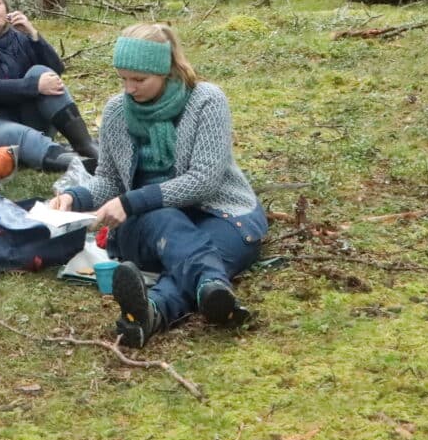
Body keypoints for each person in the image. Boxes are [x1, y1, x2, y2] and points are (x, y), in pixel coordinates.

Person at [49, 24, 268, 348]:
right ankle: (212, 285)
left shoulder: (207, 101)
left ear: (165, 70)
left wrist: (131, 201)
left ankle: (151, 313)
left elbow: (204, 182)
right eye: (123, 78)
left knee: (193, 258)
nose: (129, 89)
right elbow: (109, 179)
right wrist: (74, 196)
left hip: (223, 215)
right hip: (150, 225)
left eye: (139, 80)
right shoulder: (116, 112)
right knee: (167, 222)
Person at [0, 0, 94, 173]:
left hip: (25, 118)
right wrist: (35, 86)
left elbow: (55, 71)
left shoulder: (19, 37)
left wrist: (33, 35)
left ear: (7, 10)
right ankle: (79, 164)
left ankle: (87, 147)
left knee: (41, 71)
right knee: (19, 134)